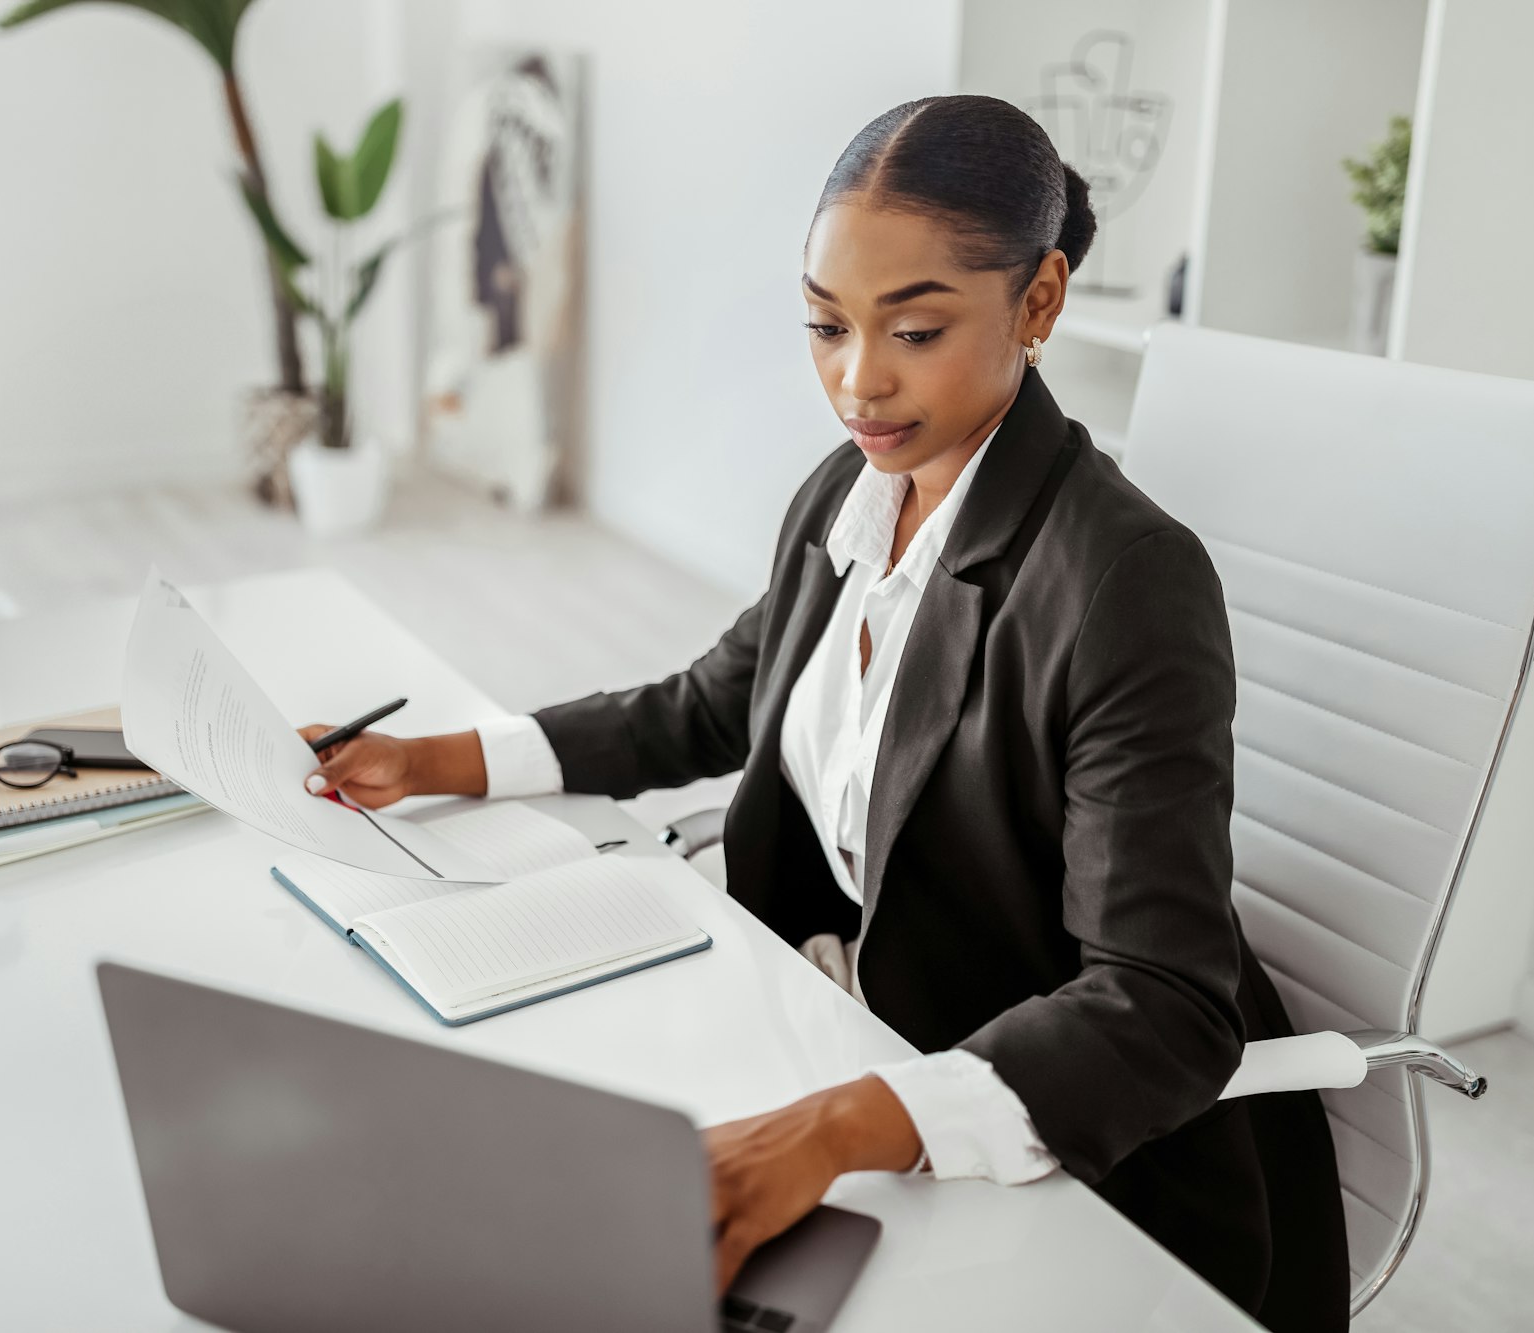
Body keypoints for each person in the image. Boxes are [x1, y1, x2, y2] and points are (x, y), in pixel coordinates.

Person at [299, 94, 1348, 1332]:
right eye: (823, 325)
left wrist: (845, 1124)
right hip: (853, 1039)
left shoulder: (1125, 580)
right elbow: (716, 701)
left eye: (911, 328)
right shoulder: (855, 492)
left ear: (1038, 302)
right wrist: (438, 757)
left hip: (1075, 1157)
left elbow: (1161, 1004)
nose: (858, 380)